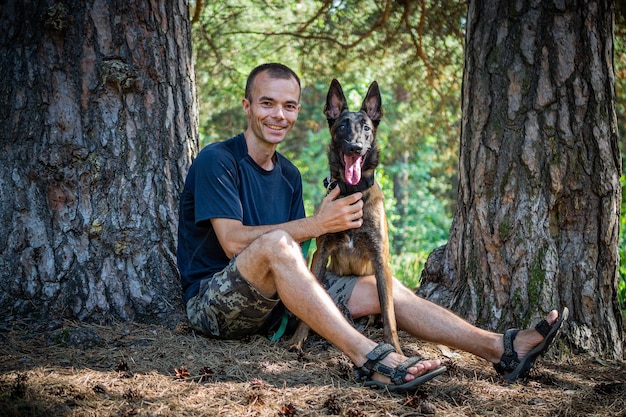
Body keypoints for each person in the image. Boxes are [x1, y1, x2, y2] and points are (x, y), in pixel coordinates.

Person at [177, 63, 567, 391]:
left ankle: (501, 347)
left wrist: (322, 230)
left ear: (297, 112)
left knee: (384, 287)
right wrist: (316, 224)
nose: (278, 114)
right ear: (247, 106)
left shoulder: (290, 175)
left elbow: (297, 250)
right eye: (267, 103)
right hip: (217, 303)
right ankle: (371, 357)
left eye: (288, 105)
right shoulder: (218, 160)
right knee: (278, 241)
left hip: (280, 303)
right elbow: (231, 243)